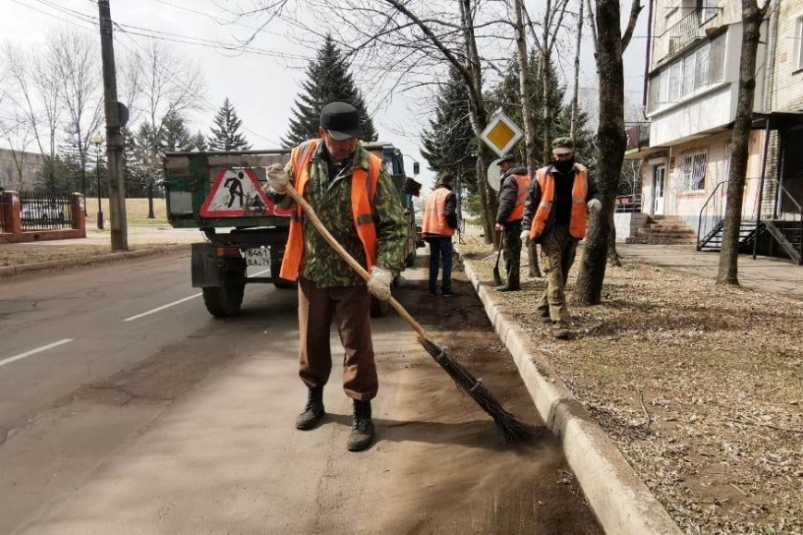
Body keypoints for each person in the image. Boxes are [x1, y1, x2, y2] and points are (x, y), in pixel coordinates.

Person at [266, 101, 409, 452]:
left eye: (352, 138)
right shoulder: (300, 157)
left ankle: (362, 412)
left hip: (353, 276)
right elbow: (283, 204)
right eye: (338, 138)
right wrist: (277, 189)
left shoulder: (371, 168)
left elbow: (395, 227)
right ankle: (314, 399)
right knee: (311, 342)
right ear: (322, 133)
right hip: (312, 270)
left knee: (356, 346)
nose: (346, 145)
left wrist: (384, 270)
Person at [521, 137, 602, 340]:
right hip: (548, 232)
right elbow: (530, 204)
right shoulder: (542, 175)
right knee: (554, 276)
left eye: (566, 155)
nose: (562, 158)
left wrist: (595, 200)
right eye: (559, 155)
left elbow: (595, 191)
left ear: (572, 153)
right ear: (553, 155)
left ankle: (542, 307)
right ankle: (561, 323)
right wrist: (525, 228)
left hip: (572, 231)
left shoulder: (582, 173)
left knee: (561, 275)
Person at [494, 155, 530, 292]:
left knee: (510, 253)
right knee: (515, 252)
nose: (501, 168)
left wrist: (500, 220)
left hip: (514, 220)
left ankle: (512, 283)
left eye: (502, 165)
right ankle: (513, 281)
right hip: (525, 218)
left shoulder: (511, 179)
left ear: (510, 164)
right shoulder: (526, 177)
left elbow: (506, 202)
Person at [422, 172, 458, 297]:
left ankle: (432, 289)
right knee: (447, 261)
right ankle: (446, 290)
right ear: (450, 183)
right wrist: (454, 225)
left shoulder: (431, 195)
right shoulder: (449, 195)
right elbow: (449, 213)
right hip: (443, 232)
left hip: (431, 232)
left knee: (434, 261)